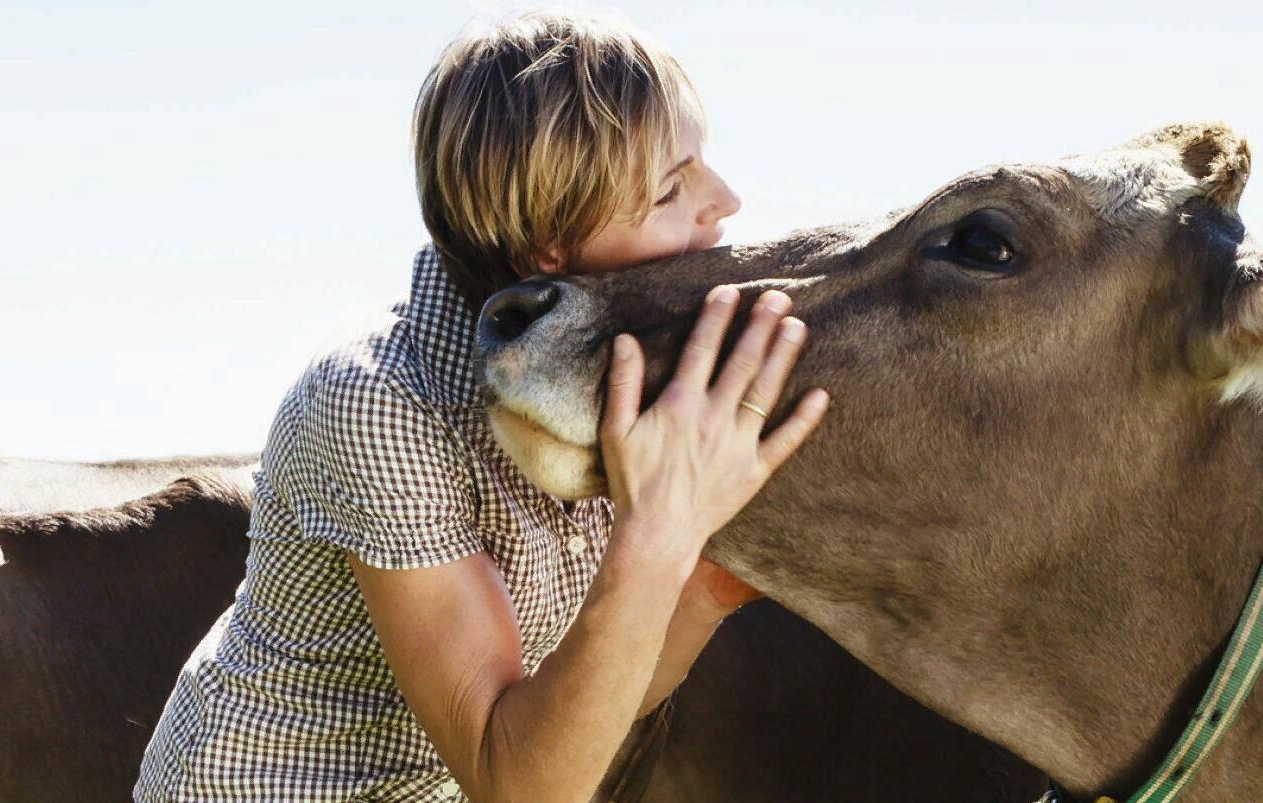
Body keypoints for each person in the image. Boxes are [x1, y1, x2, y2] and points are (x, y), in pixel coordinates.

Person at [134, 10, 830, 802]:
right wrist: (660, 531)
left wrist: (702, 587)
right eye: (672, 188)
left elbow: (592, 704)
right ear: (547, 248)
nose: (726, 200)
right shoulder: (377, 400)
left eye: (701, 161)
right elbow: (520, 785)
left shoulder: (610, 361)